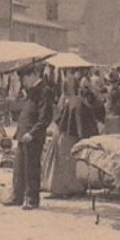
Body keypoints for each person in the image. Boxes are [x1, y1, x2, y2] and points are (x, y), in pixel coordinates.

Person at [5, 63, 54, 209]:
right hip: (23, 135)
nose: (23, 82)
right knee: (19, 167)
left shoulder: (45, 91)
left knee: (31, 168)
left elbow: (45, 118)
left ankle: (32, 199)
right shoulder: (32, 91)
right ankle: (17, 197)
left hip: (33, 137)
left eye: (24, 79)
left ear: (33, 75)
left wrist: (32, 133)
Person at [42, 76, 97, 196]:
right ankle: (70, 188)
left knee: (61, 164)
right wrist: (82, 137)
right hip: (69, 135)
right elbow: (79, 122)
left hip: (62, 134)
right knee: (68, 164)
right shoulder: (78, 102)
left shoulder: (65, 100)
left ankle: (60, 188)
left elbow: (60, 119)